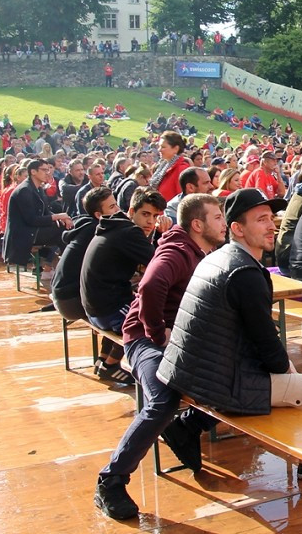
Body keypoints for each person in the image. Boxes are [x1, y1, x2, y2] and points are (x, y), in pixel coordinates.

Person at [156, 189, 302, 506]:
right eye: (261, 220)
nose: (272, 225)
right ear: (237, 228)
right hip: (221, 386)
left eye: (272, 218)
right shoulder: (245, 272)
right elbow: (268, 349)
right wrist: (292, 377)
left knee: (300, 381)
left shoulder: (218, 258)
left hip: (193, 377)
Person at [93, 194, 228, 519]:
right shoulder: (177, 251)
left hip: (179, 338)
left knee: (239, 372)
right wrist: (157, 333)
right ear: (198, 225)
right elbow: (151, 286)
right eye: (218, 218)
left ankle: (187, 426)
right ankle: (111, 481)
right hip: (144, 339)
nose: (224, 224)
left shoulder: (198, 250)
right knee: (163, 400)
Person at [80, 187, 171, 383]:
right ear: (131, 212)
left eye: (155, 216)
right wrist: (162, 235)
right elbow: (160, 264)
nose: (150, 221)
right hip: (104, 310)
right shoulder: (129, 233)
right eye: (145, 214)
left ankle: (103, 360)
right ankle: (113, 365)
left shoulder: (117, 226)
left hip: (93, 306)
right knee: (145, 322)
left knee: (132, 304)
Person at [52, 186, 119, 325]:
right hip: (70, 300)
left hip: (63, 295)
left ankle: (110, 346)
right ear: (98, 215)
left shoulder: (87, 225)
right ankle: (116, 346)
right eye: (112, 206)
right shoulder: (98, 231)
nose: (118, 209)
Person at [3, 158, 73, 267]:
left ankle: (60, 267)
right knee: (65, 232)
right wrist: (58, 216)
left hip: (33, 230)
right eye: (44, 170)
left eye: (48, 169)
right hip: (23, 234)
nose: (48, 173)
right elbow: (32, 220)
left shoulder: (38, 188)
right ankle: (63, 267)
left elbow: (46, 211)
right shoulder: (24, 190)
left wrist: (61, 218)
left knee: (67, 230)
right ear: (33, 172)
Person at [150, 131, 192, 204]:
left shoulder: (181, 169)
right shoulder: (163, 165)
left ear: (176, 149)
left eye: (163, 147)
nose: (159, 149)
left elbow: (183, 199)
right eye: (159, 146)